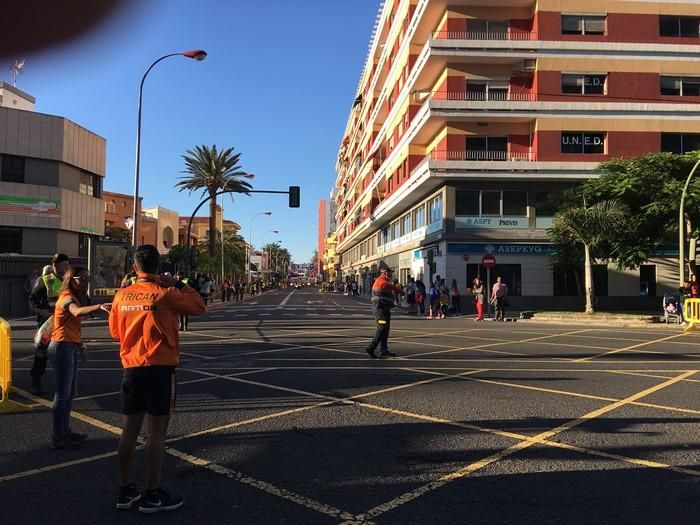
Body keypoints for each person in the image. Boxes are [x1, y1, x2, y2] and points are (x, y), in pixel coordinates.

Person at [110, 245, 206, 513]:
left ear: (134, 268)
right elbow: (199, 307)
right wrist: (178, 283)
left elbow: (116, 333)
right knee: (156, 434)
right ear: (159, 268)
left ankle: (125, 489)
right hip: (160, 368)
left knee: (129, 431)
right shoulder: (165, 293)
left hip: (131, 368)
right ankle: (152, 493)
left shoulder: (121, 295)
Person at [48, 266, 110, 449]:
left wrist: (80, 345)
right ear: (71, 279)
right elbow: (75, 312)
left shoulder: (74, 296)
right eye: (82, 279)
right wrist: (99, 306)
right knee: (62, 394)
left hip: (69, 346)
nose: (86, 282)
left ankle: (65, 431)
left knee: (69, 394)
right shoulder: (67, 296)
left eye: (87, 279)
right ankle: (58, 436)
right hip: (61, 347)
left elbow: (72, 327)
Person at [29, 253, 71, 395]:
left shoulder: (71, 281)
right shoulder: (45, 280)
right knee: (41, 353)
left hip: (66, 323)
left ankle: (65, 384)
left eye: (58, 263)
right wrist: (41, 311)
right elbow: (32, 300)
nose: (55, 265)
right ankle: (36, 381)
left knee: (65, 354)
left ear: (66, 265)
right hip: (48, 322)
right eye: (54, 263)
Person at [366, 261, 397, 359]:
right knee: (382, 326)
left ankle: (383, 349)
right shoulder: (381, 281)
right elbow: (384, 286)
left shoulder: (386, 281)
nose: (390, 274)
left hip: (385, 308)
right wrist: (398, 290)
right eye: (389, 272)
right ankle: (371, 347)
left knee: (386, 328)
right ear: (384, 272)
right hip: (379, 310)